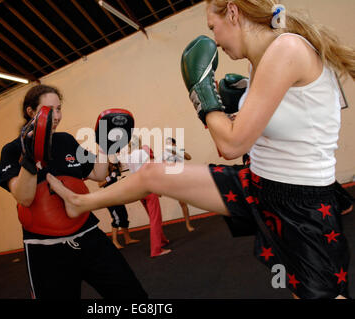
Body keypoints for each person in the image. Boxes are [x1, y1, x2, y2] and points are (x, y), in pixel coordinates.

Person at [46, 0, 354, 299]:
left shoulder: (287, 49)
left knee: (316, 294)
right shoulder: (259, 64)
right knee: (153, 173)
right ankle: (78, 202)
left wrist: (202, 93)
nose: (215, 40)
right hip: (258, 184)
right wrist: (231, 109)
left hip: (301, 201)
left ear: (233, 12)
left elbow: (231, 144)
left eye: (213, 27)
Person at [0, 84, 147, 299]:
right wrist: (31, 157)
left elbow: (98, 173)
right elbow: (24, 197)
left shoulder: (65, 140)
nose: (57, 116)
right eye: (50, 109)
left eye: (59, 109)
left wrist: (105, 146)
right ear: (31, 112)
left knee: (133, 297)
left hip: (88, 236)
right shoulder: (11, 150)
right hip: (45, 250)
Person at [98, 161, 140, 249]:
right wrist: (110, 177)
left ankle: (127, 239)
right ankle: (114, 242)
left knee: (124, 216)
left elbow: (115, 182)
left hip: (117, 196)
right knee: (117, 219)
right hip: (109, 198)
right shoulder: (103, 169)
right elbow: (100, 184)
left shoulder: (115, 166)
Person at [163, 137, 195, 232]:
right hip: (174, 180)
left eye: (171, 144)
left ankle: (188, 224)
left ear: (174, 144)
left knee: (186, 201)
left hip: (182, 179)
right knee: (182, 203)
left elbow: (189, 157)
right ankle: (188, 224)